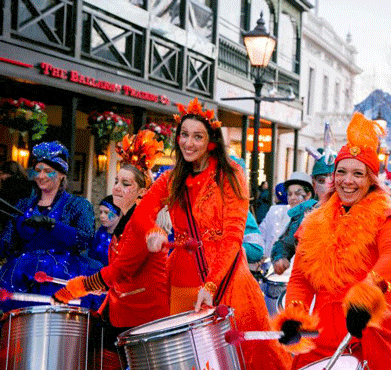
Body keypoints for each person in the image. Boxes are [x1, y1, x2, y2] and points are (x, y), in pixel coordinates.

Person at [106, 98, 289, 370]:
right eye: (184, 135)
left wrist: (211, 284)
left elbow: (233, 236)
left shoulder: (231, 174)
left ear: (211, 141)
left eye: (197, 136)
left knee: (235, 360)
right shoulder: (170, 179)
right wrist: (154, 229)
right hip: (182, 282)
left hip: (227, 282)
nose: (189, 143)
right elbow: (142, 213)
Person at [273, 112, 391, 370]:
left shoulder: (387, 216)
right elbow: (300, 278)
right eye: (341, 172)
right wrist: (295, 314)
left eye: (358, 174)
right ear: (333, 177)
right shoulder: (313, 221)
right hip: (324, 333)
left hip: (373, 328)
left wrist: (365, 294)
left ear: (371, 180)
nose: (348, 181)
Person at [53, 130, 169, 369]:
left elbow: (118, 272)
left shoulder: (140, 222)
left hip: (141, 316)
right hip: (123, 312)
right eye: (117, 181)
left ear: (142, 192)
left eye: (126, 184)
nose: (116, 188)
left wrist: (76, 288)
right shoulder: (125, 222)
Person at [0, 141, 99, 311]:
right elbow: (6, 242)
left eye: (48, 171)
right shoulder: (23, 204)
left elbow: (85, 239)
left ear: (61, 174)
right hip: (22, 277)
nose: (40, 176)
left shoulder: (78, 204)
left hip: (62, 277)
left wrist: (53, 225)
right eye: (37, 171)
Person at [271, 149, 335, 275]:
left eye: (333, 179)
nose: (328, 186)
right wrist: (281, 258)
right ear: (314, 184)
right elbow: (285, 243)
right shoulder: (306, 212)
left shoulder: (358, 211)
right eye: (322, 181)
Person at [259, 172, 313, 258]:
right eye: (290, 194)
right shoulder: (274, 211)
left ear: (308, 195)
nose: (292, 198)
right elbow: (260, 235)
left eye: (297, 194)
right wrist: (261, 255)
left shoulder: (313, 218)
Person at [0, 161, 33, 231]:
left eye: (2, 174)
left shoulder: (9, 184)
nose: (1, 177)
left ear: (9, 173)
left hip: (9, 222)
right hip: (21, 220)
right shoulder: (28, 184)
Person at [90, 195, 121, 266]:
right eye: (101, 212)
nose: (102, 216)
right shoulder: (99, 234)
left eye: (106, 212)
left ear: (118, 214)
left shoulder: (122, 236)